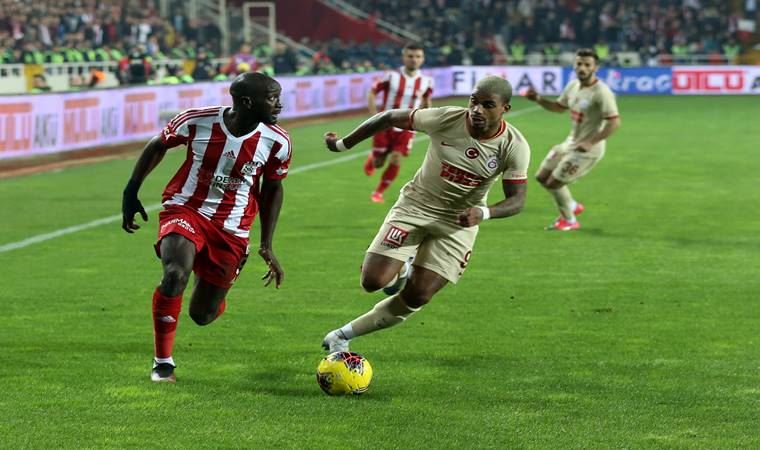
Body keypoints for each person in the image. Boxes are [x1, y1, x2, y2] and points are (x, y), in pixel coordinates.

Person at [321, 76, 530, 353]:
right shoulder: (446, 118)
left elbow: (517, 201)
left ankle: (341, 336)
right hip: (415, 206)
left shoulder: (514, 146)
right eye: (474, 102)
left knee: (419, 294)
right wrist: (342, 145)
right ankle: (404, 266)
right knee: (373, 282)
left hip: (459, 221)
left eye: (487, 105)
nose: (477, 110)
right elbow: (387, 117)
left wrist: (484, 213)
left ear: (505, 108)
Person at [121, 72, 291, 383]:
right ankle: (163, 364)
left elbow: (272, 189)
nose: (279, 103)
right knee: (174, 274)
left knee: (202, 315)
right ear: (246, 102)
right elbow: (158, 145)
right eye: (272, 97)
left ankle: (213, 287)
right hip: (186, 208)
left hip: (232, 228)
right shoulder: (198, 120)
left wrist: (267, 244)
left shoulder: (278, 141)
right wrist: (131, 190)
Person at [525, 48, 620, 231]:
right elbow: (559, 107)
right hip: (570, 142)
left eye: (587, 65)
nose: (582, 68)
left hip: (588, 149)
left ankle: (569, 220)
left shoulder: (602, 92)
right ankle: (573, 206)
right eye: (579, 64)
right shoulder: (573, 86)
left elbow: (614, 122)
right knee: (541, 177)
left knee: (554, 183)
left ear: (595, 68)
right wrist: (538, 99)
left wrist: (591, 142)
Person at [363, 42, 434, 204]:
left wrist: (428, 120)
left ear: (422, 59)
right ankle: (373, 158)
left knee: (396, 158)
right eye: (410, 56)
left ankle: (378, 192)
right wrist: (374, 115)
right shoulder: (391, 76)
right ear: (404, 57)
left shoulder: (427, 81)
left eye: (418, 56)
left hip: (407, 126)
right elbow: (372, 92)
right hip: (384, 124)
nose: (414, 60)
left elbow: (426, 101)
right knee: (378, 163)